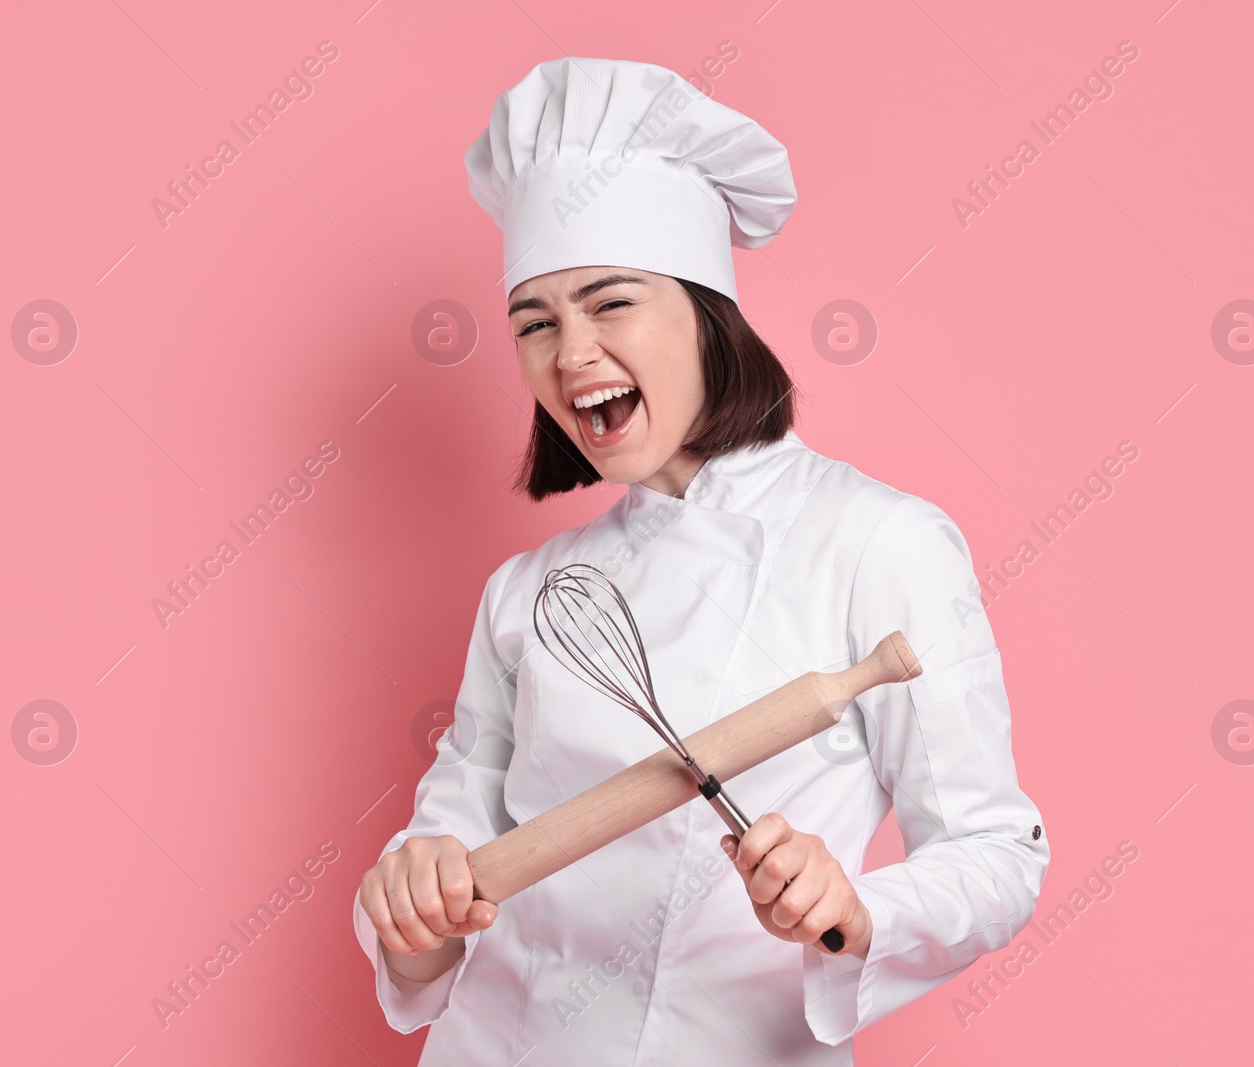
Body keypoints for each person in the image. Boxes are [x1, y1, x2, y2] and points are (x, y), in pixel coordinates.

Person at [354, 56, 1048, 1065]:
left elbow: (996, 854)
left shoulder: (879, 543)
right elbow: (443, 877)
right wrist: (411, 902)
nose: (570, 353)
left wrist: (854, 906)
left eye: (610, 303)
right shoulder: (528, 596)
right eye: (533, 323)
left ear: (705, 311)